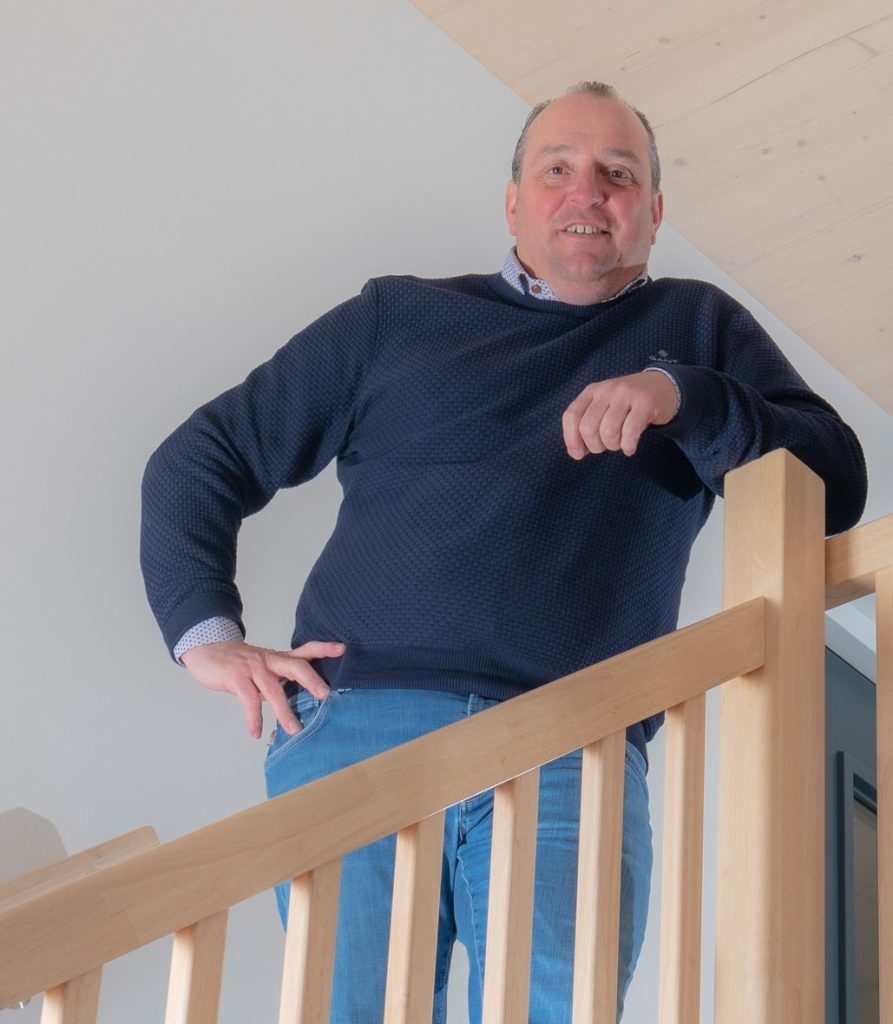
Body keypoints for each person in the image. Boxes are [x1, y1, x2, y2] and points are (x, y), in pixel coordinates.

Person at [141, 82, 867, 1022]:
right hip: (360, 723)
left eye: (617, 174)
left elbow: (833, 483)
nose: (586, 192)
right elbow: (202, 457)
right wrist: (205, 635)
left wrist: (681, 395)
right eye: (557, 168)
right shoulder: (396, 317)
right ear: (514, 201)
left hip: (575, 741)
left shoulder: (696, 328)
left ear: (652, 213)